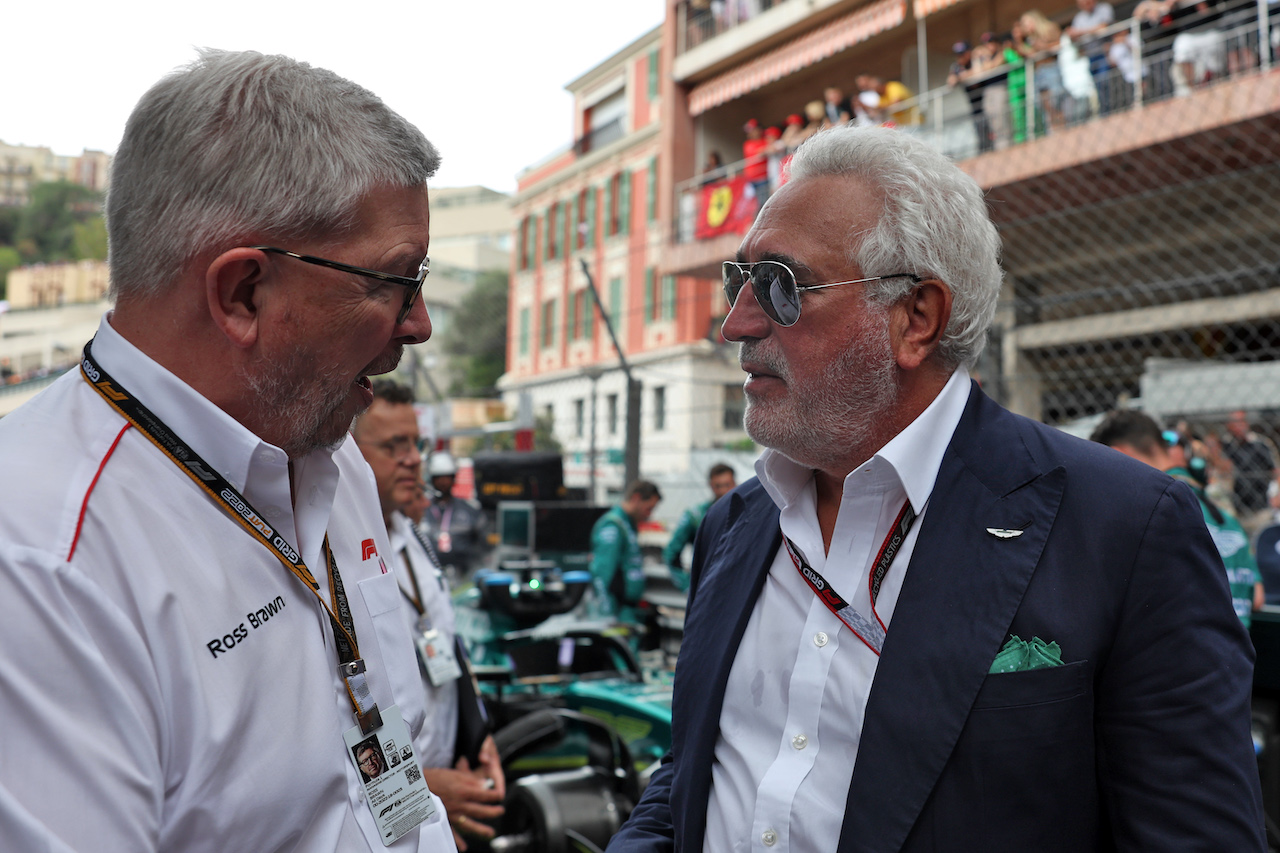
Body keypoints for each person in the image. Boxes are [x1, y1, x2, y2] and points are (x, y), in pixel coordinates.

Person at [607, 126, 1263, 853]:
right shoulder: (734, 524)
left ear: (915, 318)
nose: (737, 323)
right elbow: (699, 773)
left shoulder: (1125, 530)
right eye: (741, 281)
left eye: (782, 287)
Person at [0, 50, 458, 852]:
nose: (417, 323)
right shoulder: (41, 562)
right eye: (396, 280)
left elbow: (388, 761)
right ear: (243, 292)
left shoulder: (329, 449)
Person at [353, 380, 505, 851]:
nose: (413, 459)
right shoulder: (327, 555)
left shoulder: (413, 536)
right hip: (384, 813)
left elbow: (446, 644)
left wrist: (478, 738)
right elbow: (343, 706)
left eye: (415, 444)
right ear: (346, 451)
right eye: (393, 446)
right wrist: (421, 791)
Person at [1091, 410, 1264, 626]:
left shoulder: (1144, 509)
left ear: (1117, 454)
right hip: (1235, 649)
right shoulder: (1226, 514)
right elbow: (1256, 597)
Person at [589, 479, 662, 623]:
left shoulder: (629, 525)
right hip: (615, 615)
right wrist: (607, 617)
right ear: (636, 498)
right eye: (648, 508)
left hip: (629, 612)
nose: (649, 515)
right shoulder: (613, 525)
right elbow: (602, 575)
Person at [662, 463, 737, 591]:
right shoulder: (696, 516)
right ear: (710, 486)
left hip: (737, 587)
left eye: (727, 485)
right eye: (718, 486)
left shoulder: (747, 514)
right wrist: (687, 587)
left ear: (735, 483)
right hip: (707, 589)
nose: (723, 490)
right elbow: (671, 553)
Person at [422, 452, 488, 582]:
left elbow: (484, 545)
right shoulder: (421, 509)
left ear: (454, 478)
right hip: (427, 577)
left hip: (464, 578)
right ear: (432, 479)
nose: (443, 482)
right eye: (438, 477)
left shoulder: (470, 510)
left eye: (447, 477)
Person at [1222, 409, 1280, 535]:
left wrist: (1276, 494)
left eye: (1241, 421)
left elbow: (1276, 471)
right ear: (1228, 425)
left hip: (1261, 508)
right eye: (1235, 422)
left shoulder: (1261, 444)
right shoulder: (1225, 445)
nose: (1239, 426)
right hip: (1234, 509)